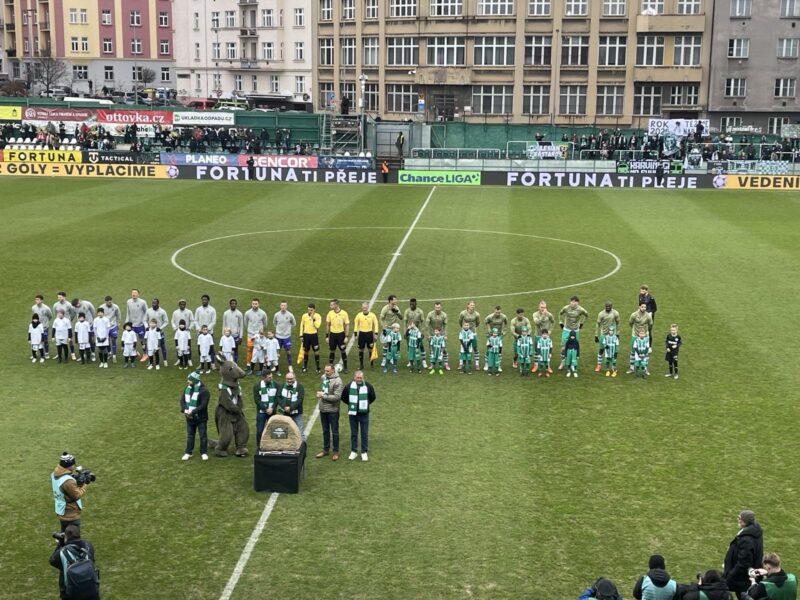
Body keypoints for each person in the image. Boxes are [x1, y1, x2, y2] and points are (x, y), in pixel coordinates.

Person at [49, 525, 99, 600]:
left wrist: (60, 544)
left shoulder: (62, 553)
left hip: (71, 593)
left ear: (66, 537)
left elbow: (52, 561)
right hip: (90, 588)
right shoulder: (88, 545)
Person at [724, 510, 764, 596]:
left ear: (744, 521)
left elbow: (743, 563)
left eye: (739, 518)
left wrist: (729, 576)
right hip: (747, 578)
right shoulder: (754, 532)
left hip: (742, 580)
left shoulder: (746, 539)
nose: (737, 520)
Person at [340, 370, 376, 461]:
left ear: (363, 377)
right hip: (353, 414)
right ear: (354, 377)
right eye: (357, 378)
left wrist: (365, 405)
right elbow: (344, 397)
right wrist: (352, 405)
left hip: (364, 414)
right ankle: (354, 451)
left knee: (364, 433)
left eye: (361, 378)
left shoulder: (368, 386)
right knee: (354, 433)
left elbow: (372, 397)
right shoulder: (348, 386)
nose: (359, 379)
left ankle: (364, 452)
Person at [51, 452, 88, 533]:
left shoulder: (55, 474)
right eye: (73, 464)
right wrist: (85, 484)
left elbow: (64, 488)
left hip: (61, 510)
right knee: (73, 539)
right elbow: (76, 495)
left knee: (64, 536)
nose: (74, 466)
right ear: (69, 466)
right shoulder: (68, 481)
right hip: (70, 515)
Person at [316, 364, 343, 460]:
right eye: (325, 370)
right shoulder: (323, 377)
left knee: (334, 431)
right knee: (325, 431)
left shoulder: (338, 381)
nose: (325, 373)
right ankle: (325, 450)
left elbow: (337, 397)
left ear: (333, 371)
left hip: (333, 410)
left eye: (327, 371)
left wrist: (323, 396)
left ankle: (335, 451)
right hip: (323, 409)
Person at [180, 371, 210, 461]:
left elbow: (203, 405)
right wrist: (185, 410)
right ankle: (188, 452)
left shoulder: (204, 391)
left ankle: (203, 452)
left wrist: (192, 412)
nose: (188, 381)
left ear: (194, 381)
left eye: (189, 380)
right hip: (189, 417)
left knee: (202, 435)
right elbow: (182, 400)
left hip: (201, 417)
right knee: (190, 435)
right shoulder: (187, 388)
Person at [558, 296, 589, 370]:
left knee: (574, 348)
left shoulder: (581, 310)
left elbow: (586, 315)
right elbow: (560, 313)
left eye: (575, 301)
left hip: (575, 331)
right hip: (566, 330)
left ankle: (572, 363)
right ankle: (562, 363)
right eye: (572, 301)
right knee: (563, 348)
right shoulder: (566, 308)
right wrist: (560, 322)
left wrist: (582, 323)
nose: (573, 303)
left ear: (578, 302)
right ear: (570, 302)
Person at [277, 371, 305, 439]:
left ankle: (302, 448)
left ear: (295, 378)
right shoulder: (282, 385)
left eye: (291, 378)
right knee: (284, 432)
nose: (289, 380)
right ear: (285, 378)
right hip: (284, 413)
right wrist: (284, 407)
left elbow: (300, 399)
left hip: (297, 414)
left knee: (300, 432)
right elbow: (278, 397)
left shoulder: (299, 386)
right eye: (288, 379)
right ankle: (285, 447)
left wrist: (291, 408)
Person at [253, 369, 278, 446]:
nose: (271, 378)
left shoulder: (276, 385)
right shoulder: (257, 386)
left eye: (271, 377)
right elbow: (257, 400)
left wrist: (272, 408)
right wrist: (265, 409)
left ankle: (274, 445)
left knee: (274, 429)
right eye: (269, 377)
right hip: (261, 412)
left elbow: (277, 398)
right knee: (260, 430)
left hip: (272, 411)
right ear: (263, 377)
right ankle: (259, 446)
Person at [628, 302, 654, 374]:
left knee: (646, 353)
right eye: (642, 307)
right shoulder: (634, 315)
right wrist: (635, 330)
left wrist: (646, 331)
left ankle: (645, 369)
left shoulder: (648, 316)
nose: (644, 308)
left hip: (645, 336)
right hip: (635, 335)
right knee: (633, 352)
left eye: (645, 307)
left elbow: (651, 324)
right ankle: (632, 368)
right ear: (639, 307)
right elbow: (630, 322)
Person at [594, 302, 620, 373]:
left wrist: (617, 334)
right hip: (604, 334)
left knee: (614, 350)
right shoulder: (601, 314)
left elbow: (618, 323)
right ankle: (599, 364)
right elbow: (598, 324)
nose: (608, 308)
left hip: (612, 335)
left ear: (611, 306)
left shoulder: (615, 313)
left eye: (609, 306)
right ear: (605, 306)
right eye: (606, 307)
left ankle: (614, 366)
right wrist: (596, 335)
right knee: (601, 349)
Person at [353, 302, 379, 371]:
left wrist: (376, 333)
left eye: (365, 307)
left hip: (369, 334)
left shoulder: (372, 315)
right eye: (363, 307)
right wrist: (355, 334)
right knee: (361, 349)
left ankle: (371, 364)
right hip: (361, 334)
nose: (364, 309)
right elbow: (356, 324)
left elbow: (376, 324)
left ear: (368, 307)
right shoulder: (359, 315)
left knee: (370, 349)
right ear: (362, 307)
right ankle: (361, 365)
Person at [326, 299, 350, 371]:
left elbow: (347, 325)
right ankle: (330, 368)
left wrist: (346, 336)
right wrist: (327, 336)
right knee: (332, 350)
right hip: (332, 335)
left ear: (336, 305)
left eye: (332, 304)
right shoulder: (330, 313)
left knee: (343, 350)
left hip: (341, 335)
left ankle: (345, 367)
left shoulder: (344, 313)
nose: (330, 306)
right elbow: (327, 325)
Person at [532, 300, 556, 373]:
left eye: (544, 307)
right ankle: (536, 365)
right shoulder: (535, 314)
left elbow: (553, 322)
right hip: (538, 335)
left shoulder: (549, 314)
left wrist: (550, 330)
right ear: (538, 307)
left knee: (547, 351)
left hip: (546, 336)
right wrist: (543, 316)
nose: (543, 309)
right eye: (542, 307)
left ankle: (548, 366)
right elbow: (537, 322)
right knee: (537, 351)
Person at [243, 298, 268, 368]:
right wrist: (250, 330)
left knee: (261, 349)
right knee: (249, 349)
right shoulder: (247, 313)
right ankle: (248, 364)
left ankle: (263, 364)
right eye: (253, 304)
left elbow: (265, 324)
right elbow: (246, 323)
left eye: (256, 304)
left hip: (260, 336)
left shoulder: (263, 313)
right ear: (251, 304)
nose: (254, 305)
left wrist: (261, 332)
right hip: (250, 335)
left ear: (258, 304)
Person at [272, 301, 296, 372]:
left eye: (284, 305)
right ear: (280, 306)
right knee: (276, 351)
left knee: (288, 351)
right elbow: (274, 323)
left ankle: (290, 365)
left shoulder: (290, 315)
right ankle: (275, 366)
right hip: (278, 336)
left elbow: (294, 323)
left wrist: (288, 329)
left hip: (286, 337)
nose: (283, 307)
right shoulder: (276, 315)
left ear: (287, 306)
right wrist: (279, 330)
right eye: (282, 305)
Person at [425, 302, 450, 370]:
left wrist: (445, 335)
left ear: (441, 307)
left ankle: (446, 363)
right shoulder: (430, 314)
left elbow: (445, 325)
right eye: (436, 307)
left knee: (444, 349)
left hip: (441, 334)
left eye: (438, 307)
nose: (437, 309)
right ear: (434, 307)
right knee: (432, 349)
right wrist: (428, 335)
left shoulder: (444, 315)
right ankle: (432, 364)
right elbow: (427, 324)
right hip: (432, 334)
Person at [379, 295, 402, 368]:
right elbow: (381, 319)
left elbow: (401, 318)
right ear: (390, 301)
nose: (396, 301)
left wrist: (397, 312)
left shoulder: (396, 308)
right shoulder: (385, 308)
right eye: (395, 300)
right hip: (387, 328)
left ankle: (391, 358)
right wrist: (384, 328)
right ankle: (384, 359)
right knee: (386, 344)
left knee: (393, 345)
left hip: (394, 329)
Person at [299, 303, 322, 374]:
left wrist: (313, 318)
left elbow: (317, 326)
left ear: (314, 310)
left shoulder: (317, 316)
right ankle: (305, 366)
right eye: (308, 310)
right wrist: (301, 335)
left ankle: (318, 367)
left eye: (311, 310)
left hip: (314, 336)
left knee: (316, 351)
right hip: (306, 335)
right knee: (306, 351)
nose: (309, 311)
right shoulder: (304, 316)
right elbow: (301, 325)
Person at [458, 301, 481, 371]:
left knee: (475, 348)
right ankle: (461, 363)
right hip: (464, 333)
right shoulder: (463, 313)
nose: (472, 306)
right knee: (462, 348)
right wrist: (464, 328)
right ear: (468, 306)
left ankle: (477, 364)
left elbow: (478, 323)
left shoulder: (477, 314)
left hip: (473, 333)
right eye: (471, 305)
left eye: (473, 305)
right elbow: (460, 321)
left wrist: (472, 329)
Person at [194, 294, 217, 364]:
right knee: (200, 349)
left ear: (208, 301)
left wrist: (207, 329)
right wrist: (199, 329)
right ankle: (202, 364)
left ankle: (212, 364)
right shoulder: (198, 309)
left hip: (209, 333)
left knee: (211, 349)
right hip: (200, 333)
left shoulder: (212, 310)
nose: (204, 301)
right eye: (203, 300)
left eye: (205, 300)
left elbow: (213, 321)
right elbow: (195, 320)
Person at [484, 306, 508, 371]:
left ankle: (498, 365)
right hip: (491, 336)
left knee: (499, 350)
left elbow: (506, 323)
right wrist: (488, 330)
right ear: (494, 311)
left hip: (499, 335)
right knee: (488, 349)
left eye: (499, 312)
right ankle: (486, 364)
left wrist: (504, 330)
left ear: (501, 311)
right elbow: (485, 322)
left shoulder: (503, 317)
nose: (498, 313)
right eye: (496, 312)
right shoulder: (490, 317)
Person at [101, 296, 122, 363]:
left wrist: (118, 323)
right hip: (105, 327)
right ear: (105, 302)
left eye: (111, 301)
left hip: (113, 326)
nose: (110, 303)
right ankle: (109, 352)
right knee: (107, 341)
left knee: (113, 340)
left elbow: (118, 315)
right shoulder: (101, 307)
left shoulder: (115, 307)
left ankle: (114, 356)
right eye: (108, 302)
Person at [222, 298, 244, 363]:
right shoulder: (226, 313)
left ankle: (235, 363)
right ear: (230, 304)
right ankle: (227, 363)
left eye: (234, 304)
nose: (233, 305)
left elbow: (241, 326)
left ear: (236, 305)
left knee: (235, 350)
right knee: (227, 350)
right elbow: (224, 325)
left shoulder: (239, 314)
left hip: (235, 336)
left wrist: (240, 337)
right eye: (232, 304)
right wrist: (223, 335)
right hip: (227, 335)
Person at [32, 294, 53, 359]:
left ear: (42, 300)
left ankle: (46, 353)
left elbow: (50, 316)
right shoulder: (33, 307)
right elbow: (34, 317)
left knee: (45, 340)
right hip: (36, 327)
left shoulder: (46, 308)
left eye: (38, 299)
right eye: (35, 299)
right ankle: (35, 352)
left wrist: (45, 322)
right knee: (35, 340)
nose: (36, 301)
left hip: (44, 327)